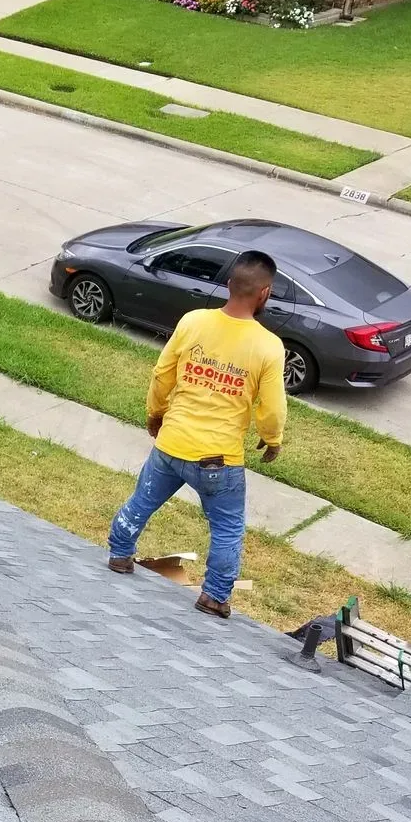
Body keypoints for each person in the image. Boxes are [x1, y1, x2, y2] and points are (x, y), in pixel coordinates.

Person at [107, 249, 287, 620]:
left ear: (228, 284)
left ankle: (119, 553)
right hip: (218, 460)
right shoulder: (268, 346)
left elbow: (162, 375)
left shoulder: (193, 322)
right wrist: (272, 440)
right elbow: (271, 408)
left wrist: (156, 415)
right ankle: (215, 596)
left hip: (172, 443)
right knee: (227, 526)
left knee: (142, 500)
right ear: (264, 293)